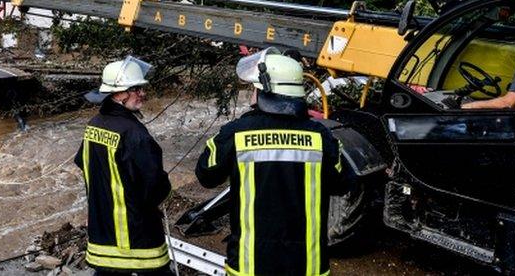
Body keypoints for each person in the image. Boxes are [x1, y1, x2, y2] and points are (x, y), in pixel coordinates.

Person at [196, 49, 347, 276]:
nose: (252, 94)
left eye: (254, 88)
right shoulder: (322, 137)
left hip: (251, 265)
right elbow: (344, 184)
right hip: (307, 266)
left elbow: (206, 174)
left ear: (266, 90)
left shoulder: (236, 133)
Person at [74, 56, 173, 275]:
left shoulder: (93, 126)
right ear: (118, 94)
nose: (142, 94)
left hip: (102, 238)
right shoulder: (134, 134)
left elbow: (83, 163)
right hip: (138, 240)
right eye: (136, 89)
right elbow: (155, 187)